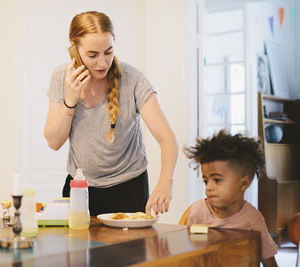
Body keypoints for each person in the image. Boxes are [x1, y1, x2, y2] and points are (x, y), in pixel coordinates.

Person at [44, 11, 178, 216]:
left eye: (108, 52)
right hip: (79, 188)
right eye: (92, 55)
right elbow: (53, 142)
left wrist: (165, 182)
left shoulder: (134, 80)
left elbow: (167, 138)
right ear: (73, 48)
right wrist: (70, 99)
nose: (103, 63)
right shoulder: (61, 78)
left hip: (129, 188)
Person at [183, 130, 277, 267]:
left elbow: (268, 260)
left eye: (217, 180)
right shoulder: (198, 212)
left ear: (244, 183)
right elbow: (187, 254)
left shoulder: (252, 219)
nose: (209, 187)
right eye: (205, 181)